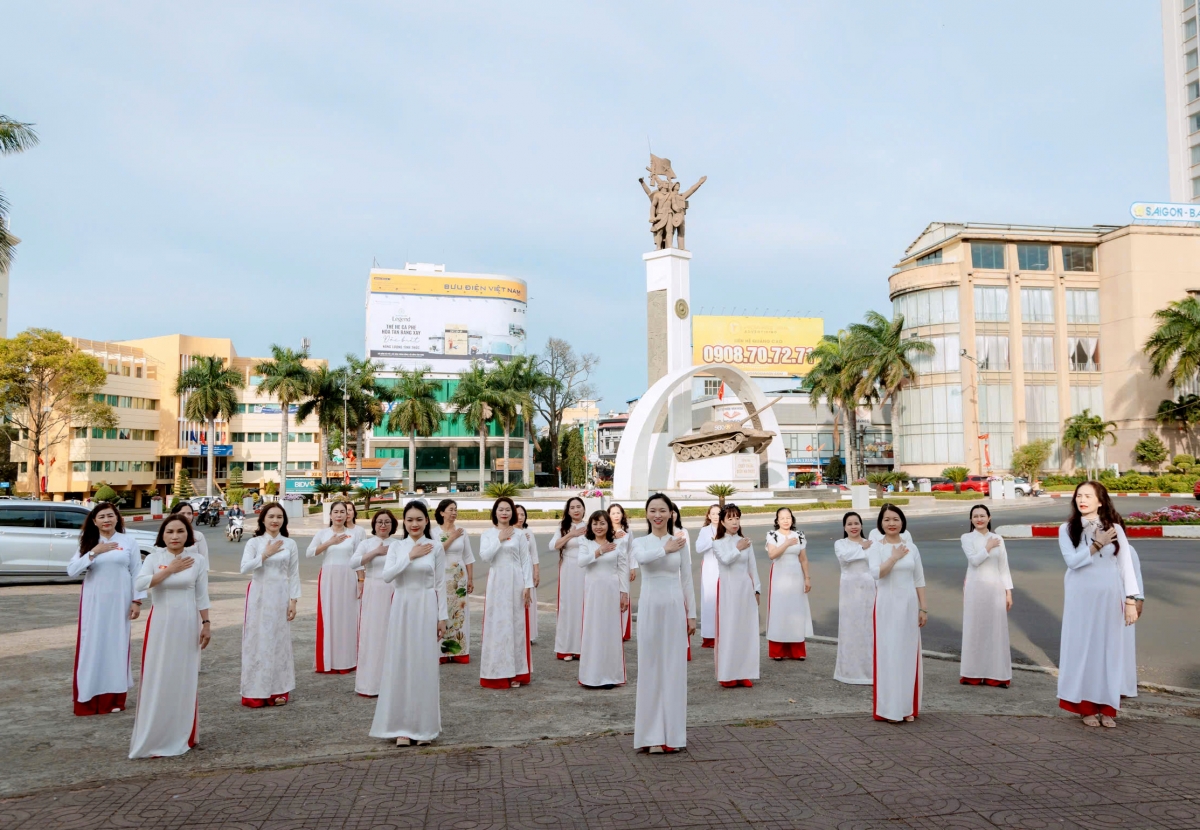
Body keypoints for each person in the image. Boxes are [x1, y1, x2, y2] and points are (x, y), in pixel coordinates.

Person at [1057, 481, 1140, 728]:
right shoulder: (1067, 529)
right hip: (1080, 597)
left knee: (1109, 650)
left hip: (1110, 597)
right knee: (1083, 648)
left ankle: (1108, 707)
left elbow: (1126, 566)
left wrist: (1131, 600)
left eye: (1088, 496)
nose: (1082, 500)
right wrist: (1097, 544)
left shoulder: (1115, 528)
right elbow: (1072, 562)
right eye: (1079, 496)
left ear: (1100, 501)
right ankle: (1086, 708)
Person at [129, 516, 210, 759]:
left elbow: (202, 595)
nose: (175, 536)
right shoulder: (154, 558)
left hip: (187, 623)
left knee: (184, 675)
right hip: (161, 624)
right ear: (162, 535)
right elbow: (140, 584)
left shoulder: (197, 560)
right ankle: (156, 734)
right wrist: (169, 571)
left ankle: (182, 732)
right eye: (170, 531)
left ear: (188, 535)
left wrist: (206, 623)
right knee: (159, 674)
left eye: (180, 531)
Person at [370, 501, 448, 746]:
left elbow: (440, 584)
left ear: (426, 521)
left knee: (424, 663)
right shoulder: (397, 547)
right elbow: (387, 576)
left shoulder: (436, 547)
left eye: (419, 519)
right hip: (402, 607)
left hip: (427, 606)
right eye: (410, 519)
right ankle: (401, 728)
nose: (414, 524)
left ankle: (424, 727)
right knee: (401, 663)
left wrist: (442, 618)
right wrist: (410, 556)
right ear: (404, 522)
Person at [632, 493, 696, 752]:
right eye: (653, 510)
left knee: (673, 668)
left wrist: (691, 614)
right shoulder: (639, 542)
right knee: (650, 667)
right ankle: (650, 736)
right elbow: (642, 559)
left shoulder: (680, 542)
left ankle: (672, 736)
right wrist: (664, 549)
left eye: (662, 510)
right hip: (650, 608)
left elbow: (687, 579)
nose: (657, 515)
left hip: (674, 609)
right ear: (647, 514)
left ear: (671, 513)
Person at [68, 502, 143, 716]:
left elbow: (137, 572)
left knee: (117, 646)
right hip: (94, 603)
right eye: (101, 517)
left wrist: (137, 601)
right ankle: (89, 699)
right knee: (92, 646)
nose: (106, 520)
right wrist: (94, 552)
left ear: (117, 518)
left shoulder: (128, 542)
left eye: (110, 515)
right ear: (94, 521)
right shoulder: (88, 543)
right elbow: (72, 570)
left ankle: (114, 699)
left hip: (120, 602)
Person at [868, 503, 926, 723]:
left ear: (902, 522)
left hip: (909, 606)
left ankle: (906, 707)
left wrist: (923, 607)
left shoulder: (912, 547)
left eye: (895, 519)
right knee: (889, 654)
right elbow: (877, 574)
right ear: (880, 524)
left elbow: (919, 579)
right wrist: (893, 557)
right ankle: (890, 709)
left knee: (908, 654)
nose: (891, 523)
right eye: (887, 520)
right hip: (887, 606)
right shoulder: (876, 547)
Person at [239, 503, 301, 707]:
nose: (275, 520)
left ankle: (279, 690)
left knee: (279, 641)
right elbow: (244, 568)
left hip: (281, 595)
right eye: (271, 516)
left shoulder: (290, 543)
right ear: (263, 519)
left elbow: (294, 574)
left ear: (284, 520)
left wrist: (293, 601)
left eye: (279, 517)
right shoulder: (254, 543)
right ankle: (255, 690)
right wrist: (265, 554)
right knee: (258, 641)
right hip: (259, 594)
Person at [478, 497, 535, 688]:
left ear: (512, 513)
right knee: (498, 625)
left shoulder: (519, 534)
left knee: (516, 625)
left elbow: (525, 561)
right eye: (501, 509)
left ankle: (517, 672)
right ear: (495, 512)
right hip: (497, 583)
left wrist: (528, 586)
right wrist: (499, 539)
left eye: (508, 510)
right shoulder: (488, 534)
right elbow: (485, 557)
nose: (504, 513)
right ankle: (497, 672)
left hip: (516, 582)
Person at [959, 504, 1013, 688]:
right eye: (975, 516)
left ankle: (996, 675)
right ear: (971, 519)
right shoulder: (967, 538)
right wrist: (988, 547)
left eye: (982, 515)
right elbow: (974, 561)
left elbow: (1003, 567)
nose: (979, 519)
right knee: (975, 629)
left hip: (996, 589)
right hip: (975, 588)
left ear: (989, 518)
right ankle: (972, 674)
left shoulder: (998, 538)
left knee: (996, 630)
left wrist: (1008, 592)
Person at [306, 501, 360, 674]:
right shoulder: (323, 533)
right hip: (329, 578)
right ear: (330, 515)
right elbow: (309, 553)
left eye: (342, 512)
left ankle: (347, 661)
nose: (339, 515)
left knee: (348, 618)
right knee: (329, 616)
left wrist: (361, 580)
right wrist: (329, 542)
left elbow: (358, 559)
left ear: (347, 515)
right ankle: (328, 661)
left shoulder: (353, 534)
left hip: (348, 577)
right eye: (335, 512)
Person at [578, 510, 629, 688]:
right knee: (594, 630)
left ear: (608, 524)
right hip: (593, 591)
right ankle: (592, 676)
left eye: (602, 523)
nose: (598, 527)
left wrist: (624, 593)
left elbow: (623, 568)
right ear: (590, 525)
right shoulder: (584, 541)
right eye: (595, 523)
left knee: (610, 630)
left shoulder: (618, 543)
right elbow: (581, 562)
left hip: (612, 590)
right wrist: (599, 551)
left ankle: (610, 676)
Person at [712, 503, 761, 688]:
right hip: (728, 590)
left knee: (746, 630)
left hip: (745, 589)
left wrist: (757, 589)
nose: (734, 522)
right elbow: (725, 560)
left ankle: (744, 673)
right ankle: (728, 674)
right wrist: (738, 548)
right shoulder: (717, 543)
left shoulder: (746, 541)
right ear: (722, 522)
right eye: (730, 518)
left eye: (737, 518)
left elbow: (752, 567)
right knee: (730, 630)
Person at [351, 508, 398, 697]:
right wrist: (376, 552)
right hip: (373, 589)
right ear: (374, 524)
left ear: (393, 525)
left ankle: (392, 684)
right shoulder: (366, 544)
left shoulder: (398, 544)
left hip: (393, 590)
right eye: (380, 522)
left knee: (391, 633)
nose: (383, 525)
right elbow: (353, 563)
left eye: (387, 522)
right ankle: (369, 684)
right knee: (372, 634)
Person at [765, 507, 812, 661]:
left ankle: (796, 651)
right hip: (779, 576)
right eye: (782, 518)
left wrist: (807, 578)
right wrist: (786, 544)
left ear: (792, 519)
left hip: (796, 576)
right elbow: (772, 554)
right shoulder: (773, 535)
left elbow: (803, 558)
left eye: (788, 517)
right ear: (777, 520)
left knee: (796, 610)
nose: (786, 520)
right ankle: (777, 650)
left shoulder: (799, 535)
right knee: (780, 610)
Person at [833, 512, 874, 685]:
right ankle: (848, 672)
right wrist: (862, 548)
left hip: (869, 588)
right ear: (844, 527)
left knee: (868, 628)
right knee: (850, 627)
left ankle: (870, 671)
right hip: (849, 589)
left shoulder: (871, 543)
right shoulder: (840, 544)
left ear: (861, 525)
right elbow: (845, 557)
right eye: (849, 524)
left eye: (856, 523)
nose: (853, 527)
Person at [434, 499, 475, 663]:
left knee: (459, 611)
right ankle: (442, 651)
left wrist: (470, 578)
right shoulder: (434, 532)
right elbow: (436, 553)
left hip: (459, 578)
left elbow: (468, 556)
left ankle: (459, 651)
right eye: (450, 509)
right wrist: (451, 538)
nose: (454, 512)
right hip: (441, 576)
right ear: (441, 512)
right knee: (442, 609)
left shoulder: (462, 532)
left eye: (455, 509)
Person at [550, 497, 588, 661]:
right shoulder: (563, 527)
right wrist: (571, 534)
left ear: (584, 509)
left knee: (583, 606)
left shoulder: (590, 526)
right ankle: (565, 648)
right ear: (568, 510)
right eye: (572, 507)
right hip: (568, 569)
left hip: (586, 569)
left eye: (579, 506)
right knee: (568, 606)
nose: (576, 510)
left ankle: (581, 647)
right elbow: (553, 545)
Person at [694, 504, 721, 648]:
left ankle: (724, 635)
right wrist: (712, 540)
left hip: (724, 567)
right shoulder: (705, 530)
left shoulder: (727, 529)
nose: (716, 516)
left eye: (718, 513)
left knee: (723, 601)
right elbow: (698, 548)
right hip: (710, 568)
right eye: (713, 513)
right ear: (709, 516)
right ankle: (709, 637)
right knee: (709, 601)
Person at [514, 505, 541, 644]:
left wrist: (536, 572)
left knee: (528, 600)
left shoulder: (529, 532)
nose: (520, 517)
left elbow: (534, 554)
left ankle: (528, 635)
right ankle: (516, 633)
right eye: (517, 514)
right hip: (514, 570)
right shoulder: (508, 532)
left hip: (528, 570)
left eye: (522, 514)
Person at [609, 503, 636, 641]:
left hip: (624, 566)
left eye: (618, 513)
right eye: (613, 513)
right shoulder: (605, 530)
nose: (616, 516)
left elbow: (631, 550)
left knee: (623, 595)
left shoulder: (627, 531)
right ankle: (611, 629)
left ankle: (622, 631)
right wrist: (612, 535)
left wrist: (633, 567)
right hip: (610, 567)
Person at [1122, 541, 1145, 700]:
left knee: (1125, 644)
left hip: (1126, 604)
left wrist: (1139, 600)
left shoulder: (1128, 550)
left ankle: (1123, 686)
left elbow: (1136, 575)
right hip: (1103, 604)